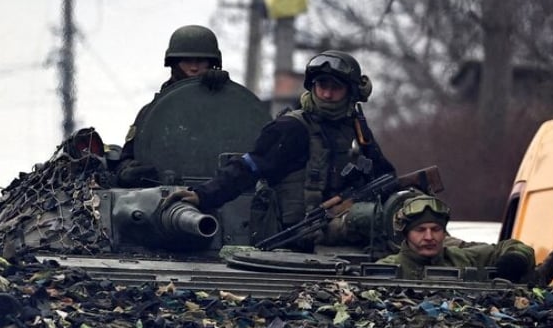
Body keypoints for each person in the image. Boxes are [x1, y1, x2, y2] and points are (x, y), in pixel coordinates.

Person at [164, 50, 395, 250]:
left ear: (351, 92)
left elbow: (385, 175)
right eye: (322, 85)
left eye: (336, 87)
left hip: (345, 239)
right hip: (296, 237)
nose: (327, 94)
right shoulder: (292, 127)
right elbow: (248, 167)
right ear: (313, 86)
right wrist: (203, 195)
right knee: (368, 217)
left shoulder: (355, 129)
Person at [114, 25, 232, 187]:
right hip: (162, 195)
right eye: (187, 60)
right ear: (174, 63)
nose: (194, 67)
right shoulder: (153, 113)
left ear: (212, 63)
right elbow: (126, 159)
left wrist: (225, 91)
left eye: (201, 61)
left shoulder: (228, 108)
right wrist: (128, 171)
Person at [376, 194, 544, 282]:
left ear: (444, 233)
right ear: (406, 234)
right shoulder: (385, 269)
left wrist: (515, 260)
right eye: (420, 230)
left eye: (436, 229)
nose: (429, 237)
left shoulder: (463, 259)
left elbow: (513, 246)